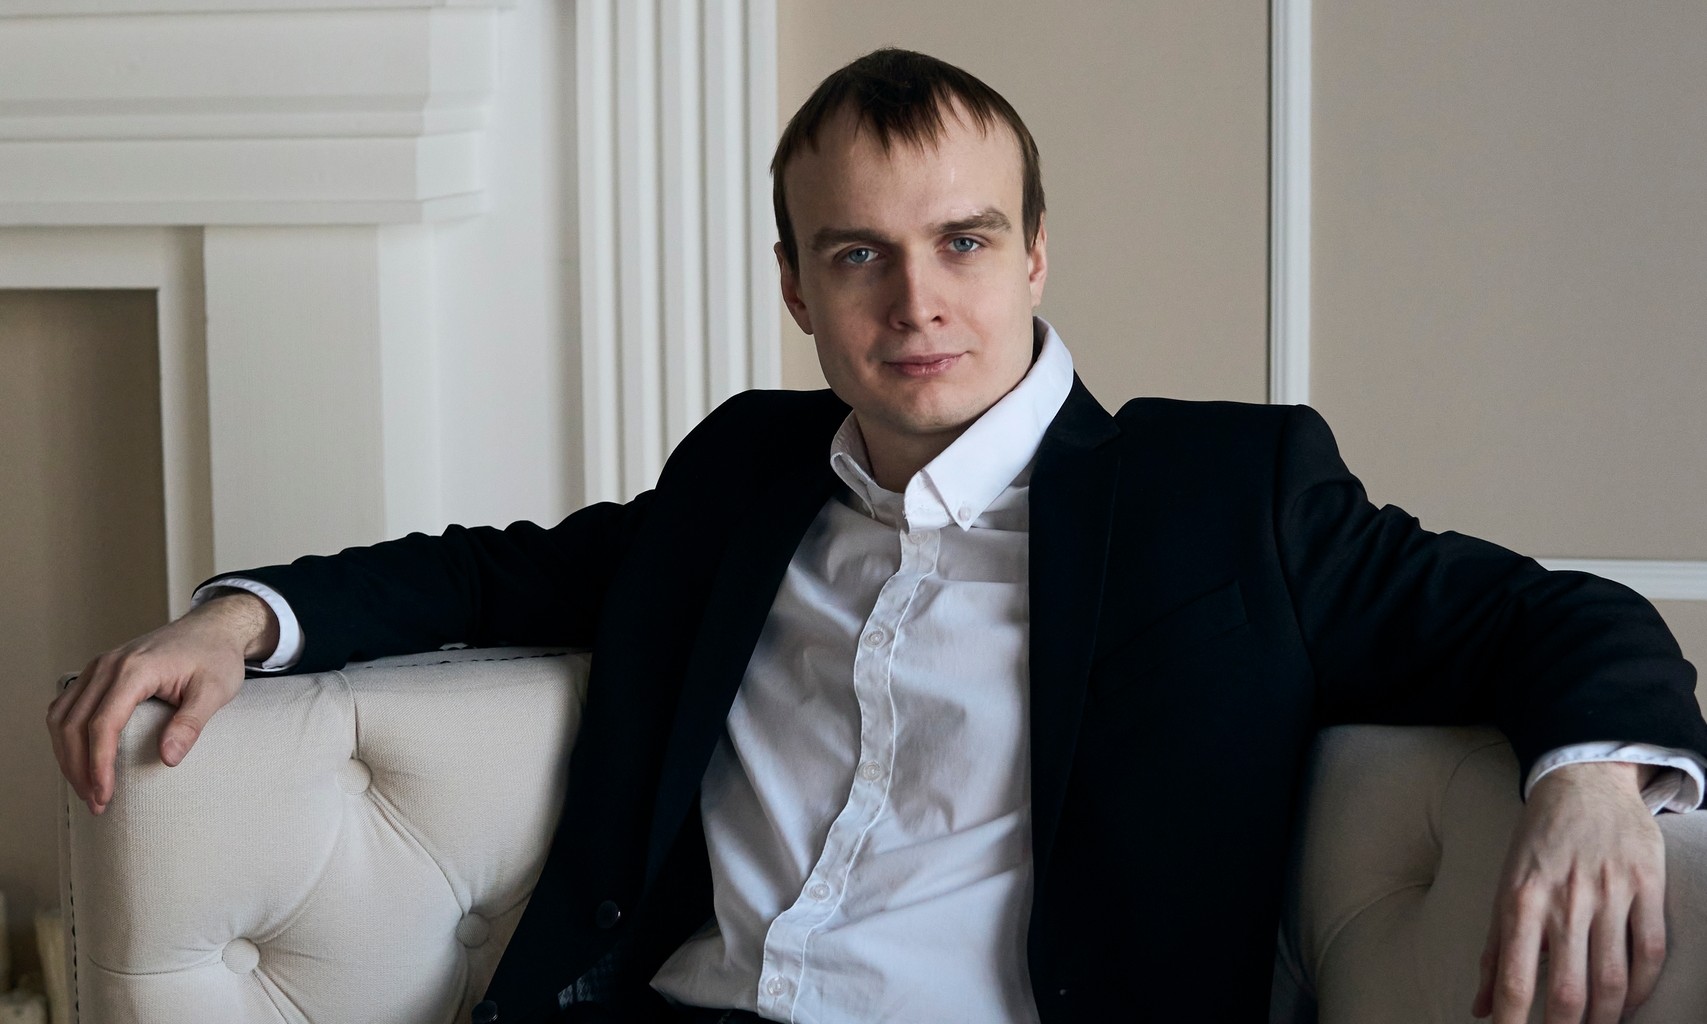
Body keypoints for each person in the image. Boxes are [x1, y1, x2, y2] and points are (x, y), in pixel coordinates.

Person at [46, 48, 1707, 1024]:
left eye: (964, 242)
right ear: (796, 287)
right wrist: (240, 620)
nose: (918, 302)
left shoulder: (1224, 498)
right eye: (858, 256)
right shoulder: (744, 477)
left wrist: (1592, 780)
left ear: (1036, 254)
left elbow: (1546, 617)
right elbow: (500, 571)